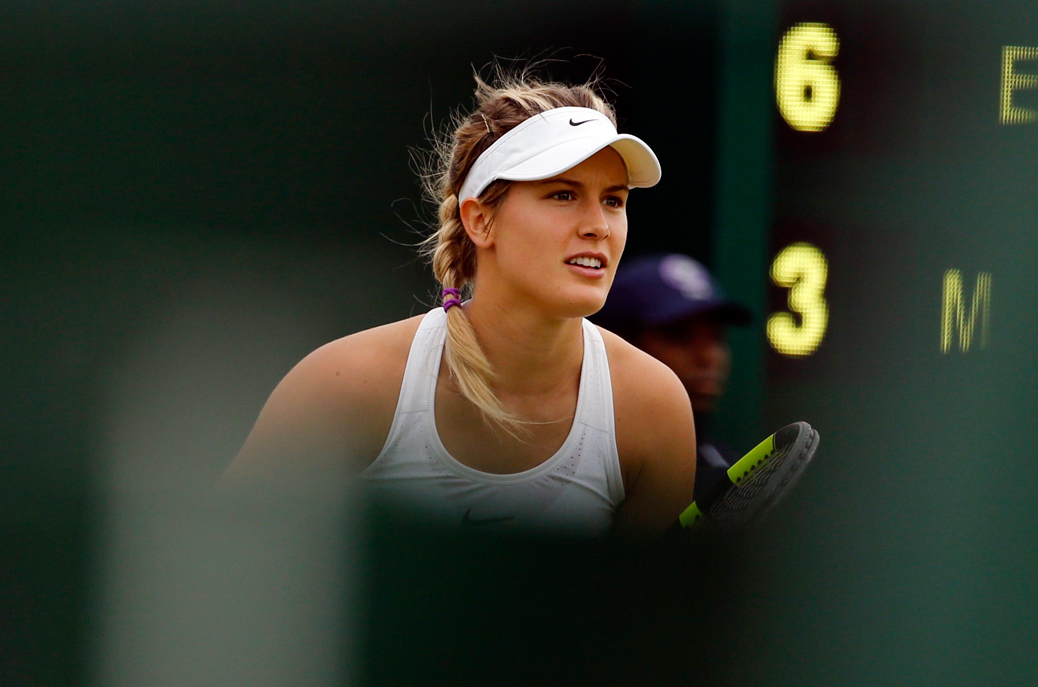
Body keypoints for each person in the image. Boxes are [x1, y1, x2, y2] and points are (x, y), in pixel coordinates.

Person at [222, 71, 695, 535]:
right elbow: (217, 558)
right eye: (563, 194)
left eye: (613, 201)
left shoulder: (654, 408)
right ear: (480, 221)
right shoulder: (345, 386)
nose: (599, 226)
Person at [590, 254, 751, 497]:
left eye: (716, 338)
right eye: (679, 336)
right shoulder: (566, 460)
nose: (708, 357)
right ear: (618, 341)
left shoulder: (729, 475)